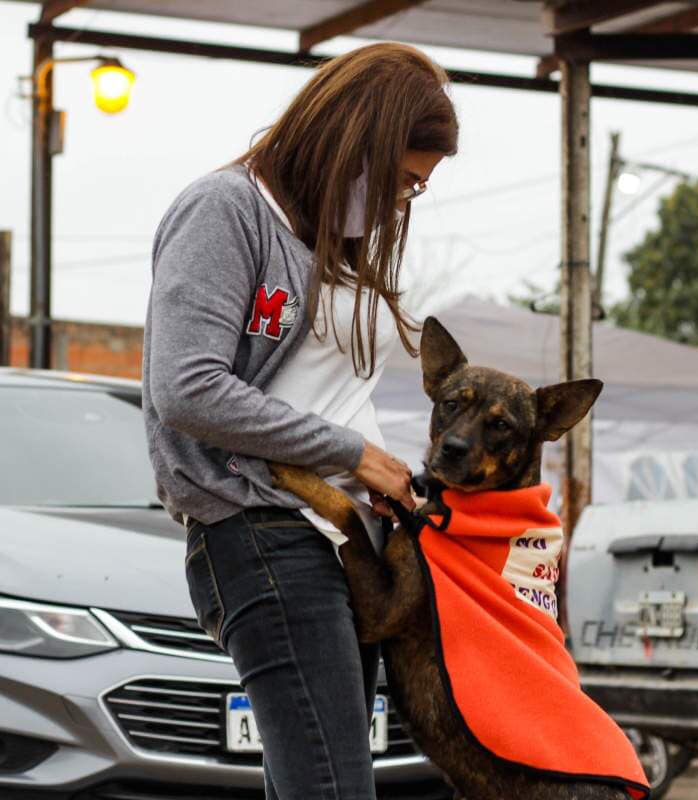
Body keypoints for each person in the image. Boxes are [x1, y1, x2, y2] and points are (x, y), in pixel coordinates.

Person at [141, 42, 459, 800]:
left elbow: (325, 390)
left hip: (344, 537)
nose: (402, 203)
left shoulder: (329, 240)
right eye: (403, 180)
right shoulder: (225, 210)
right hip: (263, 530)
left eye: (416, 189)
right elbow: (187, 388)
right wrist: (355, 453)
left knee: (319, 784)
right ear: (357, 141)